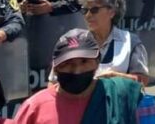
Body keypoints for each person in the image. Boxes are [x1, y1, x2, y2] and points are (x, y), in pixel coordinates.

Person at [14, 28, 143, 124]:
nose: (77, 70)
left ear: (97, 63)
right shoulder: (35, 107)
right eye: (68, 64)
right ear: (56, 68)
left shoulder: (122, 95)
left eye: (84, 62)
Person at [77, 0, 149, 86]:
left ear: (112, 12)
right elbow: (54, 82)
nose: (88, 15)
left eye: (94, 10)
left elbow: (142, 81)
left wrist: (115, 77)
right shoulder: (75, 41)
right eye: (84, 10)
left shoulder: (131, 42)